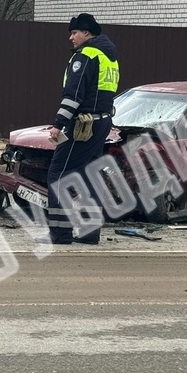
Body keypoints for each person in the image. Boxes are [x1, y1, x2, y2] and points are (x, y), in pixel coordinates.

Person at [44, 13, 120, 246]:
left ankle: (60, 234)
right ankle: (89, 233)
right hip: (102, 121)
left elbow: (73, 95)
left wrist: (58, 124)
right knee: (90, 176)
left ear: (87, 33)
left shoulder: (85, 56)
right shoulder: (110, 57)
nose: (71, 37)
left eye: (74, 32)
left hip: (82, 125)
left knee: (58, 176)